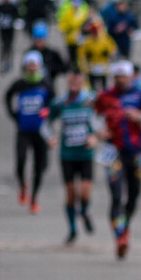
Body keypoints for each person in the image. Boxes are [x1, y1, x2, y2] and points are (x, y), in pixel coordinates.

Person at [95, 60, 141, 259]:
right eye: (117, 76)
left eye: (124, 76)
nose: (121, 80)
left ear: (131, 77)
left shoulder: (140, 95)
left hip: (135, 152)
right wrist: (98, 131)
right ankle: (120, 236)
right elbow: (93, 115)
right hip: (113, 152)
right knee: (116, 196)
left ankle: (125, 225)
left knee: (134, 194)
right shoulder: (105, 96)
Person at [48, 70, 98, 245]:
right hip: (67, 154)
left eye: (78, 81)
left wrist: (95, 136)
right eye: (71, 81)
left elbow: (102, 119)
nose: (74, 84)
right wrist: (50, 137)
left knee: (84, 192)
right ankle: (72, 229)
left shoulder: (90, 100)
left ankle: (84, 212)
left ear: (82, 81)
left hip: (85, 153)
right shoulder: (60, 102)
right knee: (70, 194)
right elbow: (45, 121)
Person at [4, 51, 56, 214]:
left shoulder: (46, 84)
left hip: (40, 131)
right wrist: (13, 114)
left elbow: (55, 103)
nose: (32, 68)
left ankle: (34, 198)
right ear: (25, 67)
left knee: (39, 167)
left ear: (40, 67)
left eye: (35, 65)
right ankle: (22, 186)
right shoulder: (20, 84)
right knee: (20, 161)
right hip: (23, 130)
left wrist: (48, 112)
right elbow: (7, 96)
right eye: (29, 65)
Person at [77, 18, 118, 91]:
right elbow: (81, 55)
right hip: (91, 67)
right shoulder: (87, 42)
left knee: (104, 86)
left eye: (95, 32)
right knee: (92, 86)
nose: (94, 34)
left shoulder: (106, 40)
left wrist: (111, 61)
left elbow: (113, 51)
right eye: (92, 32)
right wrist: (84, 68)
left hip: (103, 67)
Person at [56, 0, 90, 67]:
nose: (75, 8)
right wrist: (67, 28)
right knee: (71, 54)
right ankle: (73, 67)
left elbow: (86, 24)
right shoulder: (67, 13)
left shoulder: (83, 13)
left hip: (80, 38)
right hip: (70, 38)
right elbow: (62, 24)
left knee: (80, 54)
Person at [0, 0, 20, 75]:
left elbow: (17, 15)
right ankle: (2, 62)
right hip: (2, 29)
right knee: (3, 46)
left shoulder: (12, 6)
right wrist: (0, 19)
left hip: (10, 29)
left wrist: (11, 20)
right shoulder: (0, 6)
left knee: (10, 46)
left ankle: (9, 62)